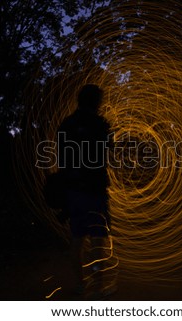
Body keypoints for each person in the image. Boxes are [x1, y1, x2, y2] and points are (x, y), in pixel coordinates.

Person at [57, 84, 115, 298]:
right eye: (100, 100)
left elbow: (61, 157)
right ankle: (98, 287)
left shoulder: (67, 124)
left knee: (77, 239)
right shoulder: (100, 123)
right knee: (98, 240)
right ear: (96, 102)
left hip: (73, 190)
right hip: (95, 189)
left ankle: (81, 285)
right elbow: (110, 149)